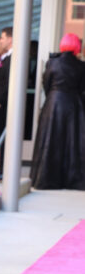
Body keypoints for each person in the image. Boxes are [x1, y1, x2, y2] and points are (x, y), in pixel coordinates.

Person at [31, 32, 85, 190]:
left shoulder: (52, 63)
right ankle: (71, 179)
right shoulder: (81, 65)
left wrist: (52, 96)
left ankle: (47, 179)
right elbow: (82, 88)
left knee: (50, 141)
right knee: (72, 142)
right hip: (74, 104)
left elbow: (46, 83)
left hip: (54, 102)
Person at [0, 25, 13, 143]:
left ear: (10, 39)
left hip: (4, 104)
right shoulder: (7, 58)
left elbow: (7, 82)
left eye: (3, 37)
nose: (0, 41)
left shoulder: (14, 58)